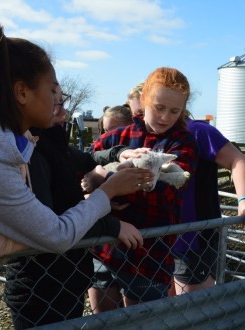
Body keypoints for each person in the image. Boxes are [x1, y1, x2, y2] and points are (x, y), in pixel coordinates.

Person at [0, 18, 151, 329]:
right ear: (22, 92)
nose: (57, 100)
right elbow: (56, 234)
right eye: (51, 89)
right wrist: (109, 192)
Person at [4, 87, 143, 328]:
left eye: (62, 103)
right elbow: (52, 223)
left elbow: (86, 158)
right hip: (41, 284)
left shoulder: (47, 142)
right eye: (56, 105)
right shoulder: (29, 154)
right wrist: (112, 224)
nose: (63, 112)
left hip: (66, 277)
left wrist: (120, 153)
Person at [90, 67, 198, 306]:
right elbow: (83, 167)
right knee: (103, 318)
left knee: (141, 320)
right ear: (145, 99)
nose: (165, 117)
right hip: (103, 247)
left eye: (174, 111)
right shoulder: (116, 138)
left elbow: (167, 190)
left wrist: (104, 187)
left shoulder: (182, 142)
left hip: (149, 253)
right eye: (159, 108)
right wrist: (96, 180)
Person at [171, 116, 245, 295]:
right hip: (155, 239)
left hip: (193, 236)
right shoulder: (143, 136)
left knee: (191, 308)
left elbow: (238, 160)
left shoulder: (198, 131)